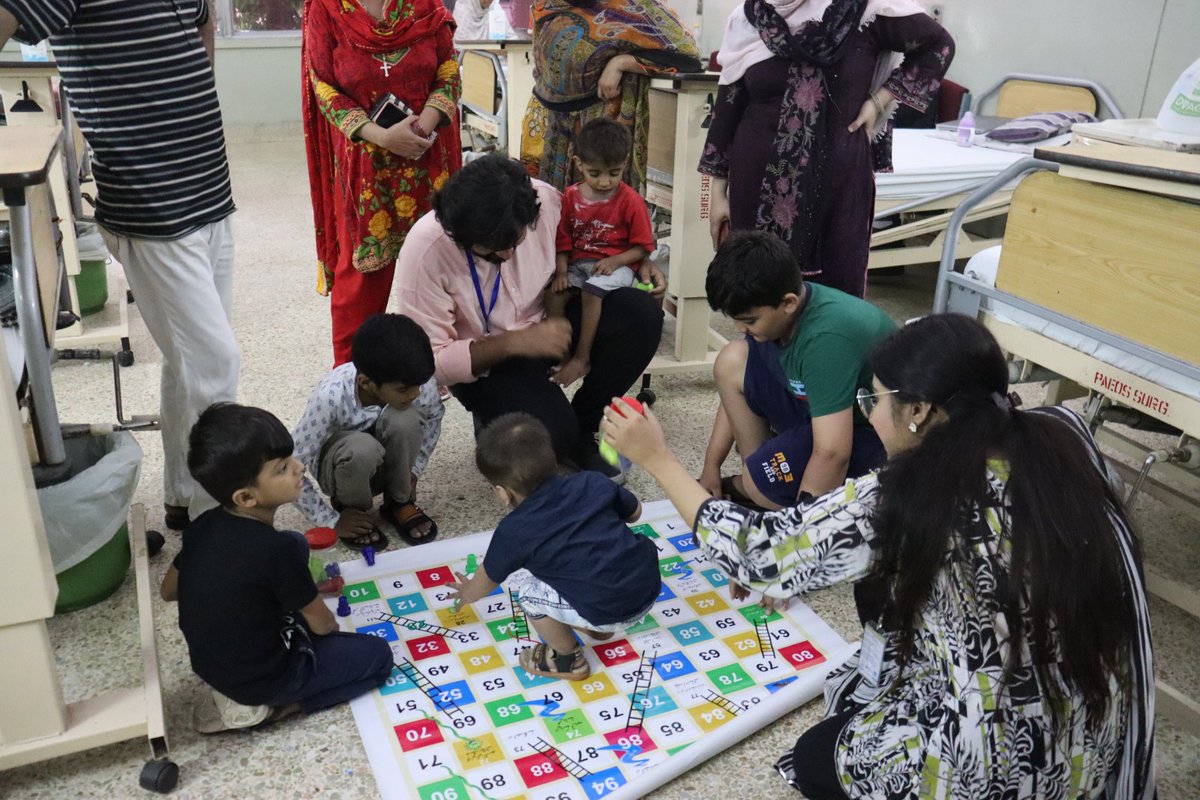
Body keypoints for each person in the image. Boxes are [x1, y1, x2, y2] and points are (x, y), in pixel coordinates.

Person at [602, 313, 1156, 800]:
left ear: (918, 409)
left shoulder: (906, 496)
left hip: (988, 767)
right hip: (1094, 731)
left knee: (820, 756)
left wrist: (658, 458)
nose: (870, 416)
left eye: (875, 400)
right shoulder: (1063, 436)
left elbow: (754, 552)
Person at [0, 0, 240, 532]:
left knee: (191, 365)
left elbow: (200, 23)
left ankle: (184, 495)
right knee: (217, 364)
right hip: (152, 207)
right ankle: (221, 527)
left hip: (208, 189)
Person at [395, 154, 665, 478]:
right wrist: (517, 343)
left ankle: (584, 424)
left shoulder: (547, 201)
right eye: (492, 249)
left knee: (641, 316)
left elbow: (598, 241)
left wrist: (637, 262)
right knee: (550, 438)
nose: (507, 254)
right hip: (488, 361)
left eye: (515, 240)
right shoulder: (426, 249)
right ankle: (509, 417)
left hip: (551, 319)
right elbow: (430, 362)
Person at [160, 404, 394, 733]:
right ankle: (276, 710)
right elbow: (324, 627)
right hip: (263, 680)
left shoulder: (202, 525)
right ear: (246, 497)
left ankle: (250, 695)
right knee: (379, 659)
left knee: (297, 542)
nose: (299, 468)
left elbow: (168, 591)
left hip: (210, 666)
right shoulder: (274, 551)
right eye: (282, 468)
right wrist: (309, 599)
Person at [701, 0, 953, 298]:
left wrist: (878, 101)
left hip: (838, 187)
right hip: (755, 185)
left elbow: (939, 46)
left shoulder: (864, 11)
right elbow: (729, 106)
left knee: (834, 292)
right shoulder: (749, 19)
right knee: (758, 293)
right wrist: (717, 193)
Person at [302, 0, 463, 365]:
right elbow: (322, 85)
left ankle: (432, 375)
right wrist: (381, 136)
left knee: (439, 276)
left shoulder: (426, 4)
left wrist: (423, 125)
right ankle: (352, 386)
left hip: (429, 158)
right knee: (359, 286)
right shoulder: (325, 8)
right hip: (366, 171)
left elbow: (449, 70)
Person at [448, 413, 658, 679]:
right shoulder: (592, 481)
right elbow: (635, 512)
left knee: (528, 593)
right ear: (554, 461)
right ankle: (599, 627)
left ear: (502, 493)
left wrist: (466, 593)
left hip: (607, 607)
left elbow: (486, 579)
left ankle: (567, 659)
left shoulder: (514, 531)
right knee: (580, 570)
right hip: (648, 588)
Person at [700, 231, 893, 510]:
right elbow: (732, 396)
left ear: (789, 303)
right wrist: (711, 465)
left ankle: (759, 489)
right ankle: (759, 480)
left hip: (871, 432)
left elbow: (832, 452)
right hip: (822, 411)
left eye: (749, 320)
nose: (741, 329)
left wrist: (804, 529)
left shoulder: (825, 340)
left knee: (760, 484)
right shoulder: (779, 316)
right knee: (731, 359)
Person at [292, 314, 443, 550]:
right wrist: (330, 520)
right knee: (361, 448)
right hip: (343, 467)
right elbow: (291, 466)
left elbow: (433, 416)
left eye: (418, 385)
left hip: (386, 464)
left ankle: (398, 501)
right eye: (404, 389)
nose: (415, 393)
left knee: (407, 417)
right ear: (365, 383)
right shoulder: (330, 397)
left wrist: (414, 469)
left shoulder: (418, 382)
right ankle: (351, 508)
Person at [520, 0, 701, 194]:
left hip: (601, 127)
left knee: (602, 210)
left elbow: (687, 55)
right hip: (553, 125)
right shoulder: (549, 4)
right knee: (553, 211)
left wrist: (621, 63)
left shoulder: (635, 4)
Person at [547, 118, 656, 387]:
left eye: (614, 173)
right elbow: (563, 241)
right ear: (578, 163)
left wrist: (616, 260)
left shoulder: (631, 200)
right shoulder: (570, 197)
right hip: (578, 264)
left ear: (625, 163)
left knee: (591, 290)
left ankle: (582, 357)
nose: (605, 182)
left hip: (618, 266)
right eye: (595, 173)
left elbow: (643, 246)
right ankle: (560, 353)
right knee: (553, 294)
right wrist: (562, 272)